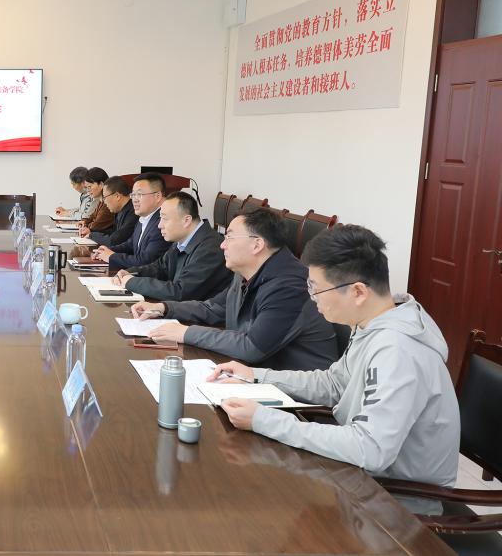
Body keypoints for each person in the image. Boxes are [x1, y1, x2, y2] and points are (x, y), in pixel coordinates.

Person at [210, 224, 460, 488]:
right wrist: (256, 376)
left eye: (317, 289)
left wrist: (264, 420)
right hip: (357, 474)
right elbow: (334, 383)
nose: (313, 298)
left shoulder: (398, 351)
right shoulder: (373, 322)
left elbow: (370, 449)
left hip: (395, 496)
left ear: (358, 292)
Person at [131, 207, 338, 371]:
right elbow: (214, 308)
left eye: (229, 237)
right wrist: (164, 308)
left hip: (292, 394)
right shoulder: (247, 271)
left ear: (257, 245)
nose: (222, 245)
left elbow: (252, 347)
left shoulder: (290, 286)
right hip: (251, 372)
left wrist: (186, 332)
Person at [113, 191, 231, 301]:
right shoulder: (182, 240)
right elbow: (160, 268)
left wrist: (131, 282)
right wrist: (131, 273)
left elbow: (181, 292)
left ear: (186, 220)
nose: (159, 225)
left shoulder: (211, 249)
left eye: (165, 219)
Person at [90, 172, 168, 270]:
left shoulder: (162, 222)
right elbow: (131, 244)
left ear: (158, 196)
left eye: (139, 194)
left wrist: (111, 256)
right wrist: (106, 251)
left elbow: (145, 261)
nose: (134, 200)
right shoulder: (144, 217)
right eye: (133, 194)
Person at [79, 176, 135, 247]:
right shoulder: (121, 210)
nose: (104, 202)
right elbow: (114, 232)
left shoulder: (133, 213)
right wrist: (91, 232)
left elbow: (114, 241)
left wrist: (92, 235)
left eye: (105, 197)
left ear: (117, 196)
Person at [75, 167, 115, 233]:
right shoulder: (101, 200)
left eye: (89, 187)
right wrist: (85, 221)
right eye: (86, 188)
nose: (88, 191)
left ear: (101, 184)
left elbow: (96, 226)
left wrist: (86, 225)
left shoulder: (108, 202)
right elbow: (92, 216)